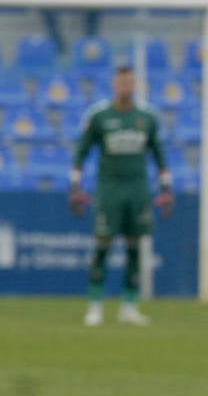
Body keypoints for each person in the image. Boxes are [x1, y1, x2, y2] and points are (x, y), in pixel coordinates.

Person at [68, 66, 174, 327]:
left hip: (138, 188)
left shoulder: (147, 117)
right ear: (114, 84)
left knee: (135, 245)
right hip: (109, 188)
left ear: (135, 85)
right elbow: (81, 152)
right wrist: (75, 185)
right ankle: (95, 305)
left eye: (129, 81)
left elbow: (159, 154)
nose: (125, 86)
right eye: (121, 81)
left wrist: (166, 187)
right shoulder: (99, 116)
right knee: (103, 243)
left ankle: (129, 305)